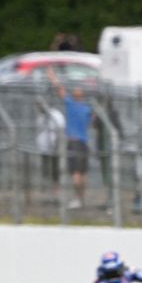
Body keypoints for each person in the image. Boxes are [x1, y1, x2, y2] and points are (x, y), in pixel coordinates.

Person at [47, 67, 92, 209]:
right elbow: (91, 123)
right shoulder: (87, 109)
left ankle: (78, 199)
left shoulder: (71, 104)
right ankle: (81, 199)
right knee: (83, 173)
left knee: (76, 172)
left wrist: (52, 76)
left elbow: (59, 89)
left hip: (74, 142)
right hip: (84, 142)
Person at [35, 102, 64, 200]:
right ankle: (48, 194)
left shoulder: (56, 115)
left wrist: (57, 144)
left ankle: (56, 194)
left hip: (55, 147)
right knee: (46, 171)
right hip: (44, 149)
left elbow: (61, 130)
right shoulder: (41, 117)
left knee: (55, 172)